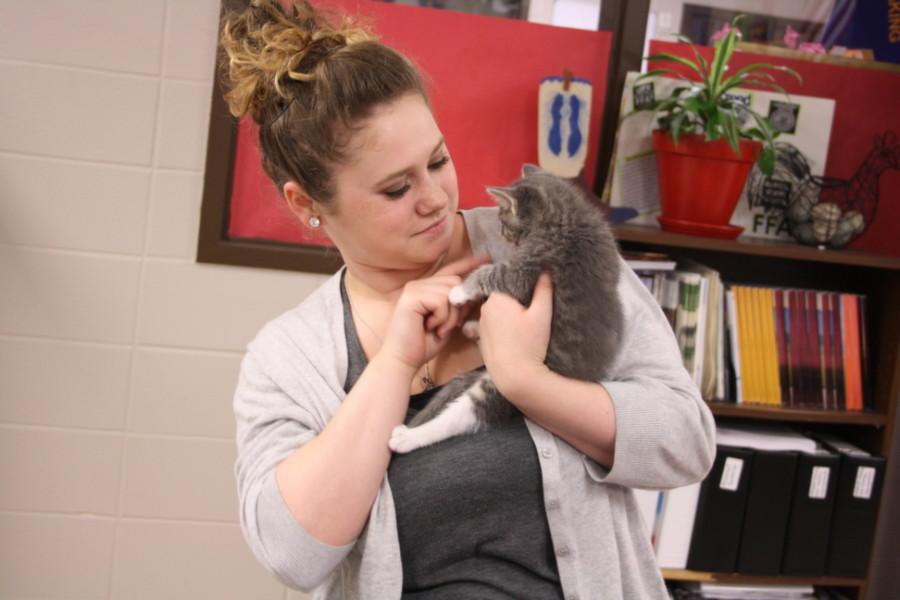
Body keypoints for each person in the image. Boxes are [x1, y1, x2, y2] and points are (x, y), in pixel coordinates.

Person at [222, 1, 716, 598]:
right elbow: (292, 555)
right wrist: (395, 364)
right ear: (307, 205)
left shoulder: (555, 247)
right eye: (396, 188)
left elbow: (686, 439)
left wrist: (525, 381)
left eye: (438, 161)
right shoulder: (290, 356)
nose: (434, 197)